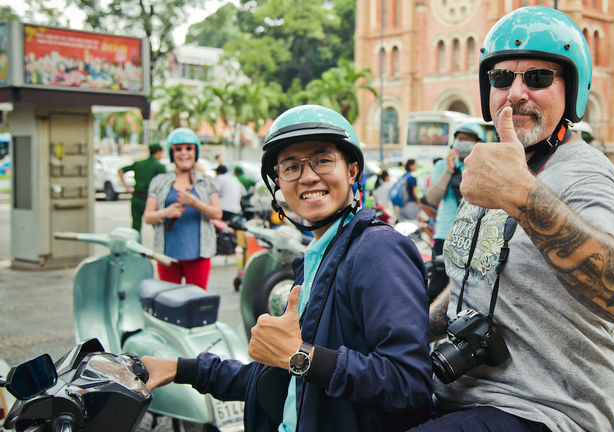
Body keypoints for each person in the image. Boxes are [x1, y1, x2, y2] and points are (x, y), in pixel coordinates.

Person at [415, 6, 614, 432]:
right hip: (455, 393)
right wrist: (402, 327)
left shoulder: (585, 172)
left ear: (572, 89)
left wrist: (522, 196)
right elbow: (475, 278)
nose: (516, 92)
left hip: (545, 409)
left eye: (539, 78)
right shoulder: (494, 168)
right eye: (501, 78)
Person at [141, 105, 432, 432]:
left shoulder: (377, 250)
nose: (308, 176)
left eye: (323, 160)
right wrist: (181, 369)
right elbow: (283, 373)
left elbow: (409, 384)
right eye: (291, 166)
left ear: (352, 171)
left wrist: (301, 356)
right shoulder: (318, 254)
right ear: (278, 183)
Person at [143, 128, 222, 290]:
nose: (183, 153)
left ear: (196, 151)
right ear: (171, 153)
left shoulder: (206, 181)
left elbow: (217, 213)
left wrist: (196, 203)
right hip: (167, 256)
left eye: (189, 148)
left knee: (196, 302)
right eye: (178, 148)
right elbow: (147, 217)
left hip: (199, 255)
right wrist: (165, 212)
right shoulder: (159, 181)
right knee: (169, 302)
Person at [424, 122, 485, 257]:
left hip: (473, 234)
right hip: (445, 232)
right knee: (439, 276)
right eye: (459, 138)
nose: (462, 142)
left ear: (478, 143)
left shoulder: (484, 167)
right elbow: (431, 198)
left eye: (467, 139)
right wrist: (449, 170)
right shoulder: (442, 165)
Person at [118, 142, 166, 236]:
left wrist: (127, 187)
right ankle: (160, 248)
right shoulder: (159, 166)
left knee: (135, 228)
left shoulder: (139, 163)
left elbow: (120, 170)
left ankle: (135, 249)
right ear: (158, 152)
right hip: (149, 200)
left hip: (135, 199)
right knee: (157, 227)